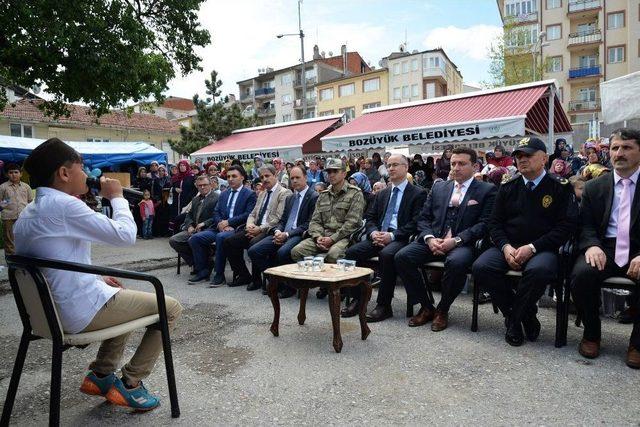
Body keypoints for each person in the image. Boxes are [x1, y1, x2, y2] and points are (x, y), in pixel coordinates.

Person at [13, 138, 182, 411]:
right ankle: (131, 383)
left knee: (117, 294)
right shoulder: (65, 206)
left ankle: (101, 375)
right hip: (74, 313)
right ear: (64, 173)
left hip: (47, 313)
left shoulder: (29, 212)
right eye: (82, 168)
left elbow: (55, 264)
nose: (88, 174)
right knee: (171, 307)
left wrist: (96, 279)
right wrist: (117, 197)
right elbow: (126, 235)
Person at [472, 137, 578, 346]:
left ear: (544, 158)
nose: (522, 159)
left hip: (542, 248)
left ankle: (513, 322)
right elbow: (494, 223)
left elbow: (566, 227)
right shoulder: (508, 185)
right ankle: (523, 315)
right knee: (481, 267)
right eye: (518, 156)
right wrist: (505, 247)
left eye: (528, 155)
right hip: (509, 246)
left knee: (539, 271)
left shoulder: (559, 187)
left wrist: (532, 247)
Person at [394, 148, 497, 329]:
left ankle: (443, 309)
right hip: (435, 239)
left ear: (474, 166)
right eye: (453, 164)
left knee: (456, 262)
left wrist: (456, 240)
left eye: (462, 164)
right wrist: (429, 238)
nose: (456, 168)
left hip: (463, 243)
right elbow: (423, 217)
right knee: (402, 257)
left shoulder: (486, 190)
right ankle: (426, 306)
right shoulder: (440, 187)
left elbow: (484, 224)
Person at [571, 128, 640, 368]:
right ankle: (592, 333)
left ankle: (637, 344)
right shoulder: (594, 187)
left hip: (638, 250)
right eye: (615, 148)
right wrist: (591, 245)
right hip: (605, 247)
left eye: (627, 147)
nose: (619, 153)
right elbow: (586, 225)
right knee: (581, 275)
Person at [342, 155, 427, 319]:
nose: (391, 169)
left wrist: (391, 235)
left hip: (401, 237)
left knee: (387, 255)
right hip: (378, 235)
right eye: (389, 165)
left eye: (395, 165)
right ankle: (358, 299)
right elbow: (370, 217)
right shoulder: (382, 193)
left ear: (406, 167)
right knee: (352, 252)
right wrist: (373, 232)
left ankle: (384, 305)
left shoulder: (418, 193)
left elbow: (416, 222)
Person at [248, 165, 318, 298]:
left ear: (306, 177)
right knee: (254, 251)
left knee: (282, 252)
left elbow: (309, 224)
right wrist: (278, 231)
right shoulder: (290, 198)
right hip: (282, 233)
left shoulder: (313, 196)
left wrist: (287, 234)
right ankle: (276, 281)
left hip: (298, 234)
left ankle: (289, 287)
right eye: (292, 178)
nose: (295, 181)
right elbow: (283, 219)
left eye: (298, 177)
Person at [223, 164, 291, 291]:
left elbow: (278, 218)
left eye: (267, 176)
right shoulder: (262, 193)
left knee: (253, 243)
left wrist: (259, 229)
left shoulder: (284, 193)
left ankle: (262, 279)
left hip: (270, 229)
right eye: (262, 177)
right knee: (229, 242)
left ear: (275, 175)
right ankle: (244, 275)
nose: (264, 179)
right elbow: (252, 213)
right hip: (255, 228)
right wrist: (250, 226)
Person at [189, 166, 257, 286]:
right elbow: (216, 212)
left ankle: (219, 274)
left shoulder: (249, 194)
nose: (230, 179)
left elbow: (248, 214)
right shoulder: (224, 193)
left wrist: (229, 222)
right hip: (219, 227)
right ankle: (203, 270)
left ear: (242, 177)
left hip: (237, 228)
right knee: (195, 238)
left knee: (221, 237)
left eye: (234, 176)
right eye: (229, 176)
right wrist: (221, 223)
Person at [291, 158, 365, 263]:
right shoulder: (323, 195)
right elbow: (315, 221)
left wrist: (332, 239)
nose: (331, 174)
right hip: (322, 236)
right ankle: (310, 279)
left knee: (333, 255)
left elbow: (352, 223)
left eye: (335, 171)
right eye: (329, 171)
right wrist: (318, 237)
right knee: (296, 251)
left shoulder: (355, 193)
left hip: (343, 238)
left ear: (344, 174)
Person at [168, 175, 219, 273]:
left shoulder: (217, 198)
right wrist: (190, 225)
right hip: (194, 229)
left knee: (193, 240)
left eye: (205, 185)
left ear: (211, 185)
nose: (202, 187)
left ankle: (202, 265)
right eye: (200, 185)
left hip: (208, 229)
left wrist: (204, 224)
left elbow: (217, 216)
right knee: (174, 240)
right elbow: (189, 215)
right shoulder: (195, 199)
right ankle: (197, 262)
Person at [0, 163, 33, 255]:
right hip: (8, 217)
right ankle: (12, 264)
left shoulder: (26, 187)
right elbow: (1, 204)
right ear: (6, 174)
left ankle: (22, 259)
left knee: (23, 238)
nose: (13, 174)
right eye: (10, 172)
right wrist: (7, 201)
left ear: (21, 174)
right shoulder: (3, 187)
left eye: (16, 172)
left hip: (23, 217)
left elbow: (30, 202)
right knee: (9, 239)